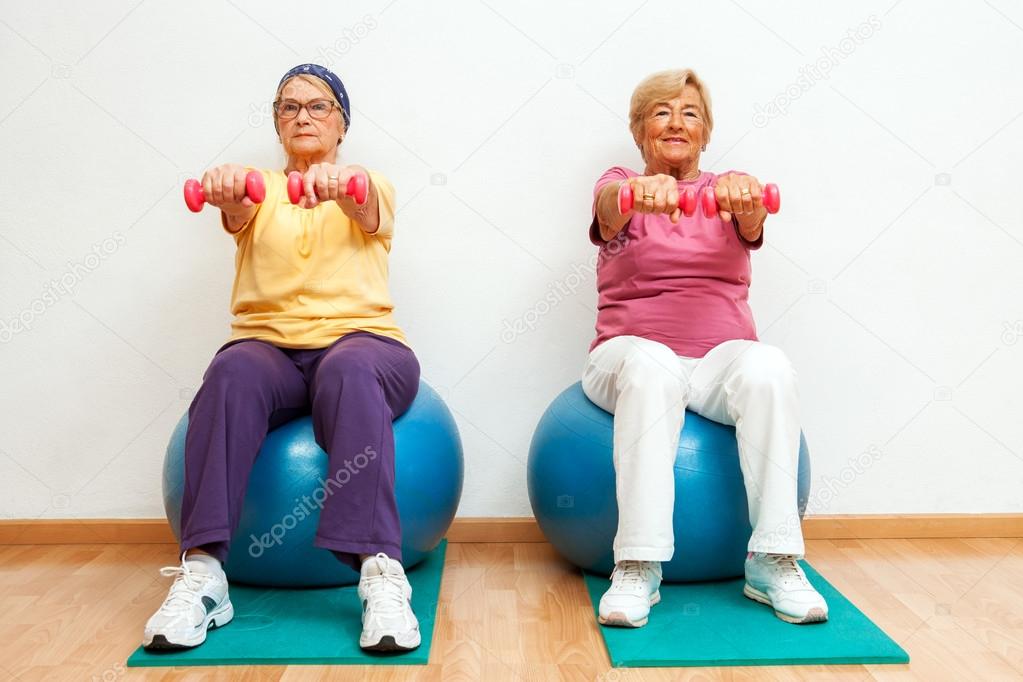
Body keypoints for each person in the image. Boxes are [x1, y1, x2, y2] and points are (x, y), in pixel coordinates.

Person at [143, 64, 421, 652]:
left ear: (342, 123)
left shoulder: (369, 182)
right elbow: (238, 209)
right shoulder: (260, 189)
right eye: (288, 107)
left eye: (319, 106)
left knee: (348, 368)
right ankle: (203, 574)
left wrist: (344, 187)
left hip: (365, 346)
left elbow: (367, 205)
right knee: (231, 369)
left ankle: (380, 573)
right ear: (276, 123)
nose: (302, 116)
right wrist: (226, 188)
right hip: (269, 351)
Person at [583, 68, 828, 628]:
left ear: (706, 132)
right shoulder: (620, 183)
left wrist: (746, 198)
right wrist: (636, 195)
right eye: (661, 112)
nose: (676, 122)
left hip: (717, 362)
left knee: (770, 366)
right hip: (626, 357)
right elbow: (607, 208)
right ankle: (638, 564)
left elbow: (753, 218)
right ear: (639, 131)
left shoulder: (728, 190)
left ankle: (772, 559)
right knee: (653, 365)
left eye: (689, 113)